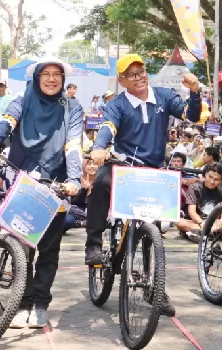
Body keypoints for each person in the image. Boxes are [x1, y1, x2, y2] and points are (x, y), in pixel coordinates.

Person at [84, 53, 201, 316]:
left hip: (154, 170)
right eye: (132, 74)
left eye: (142, 71)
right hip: (122, 165)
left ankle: (154, 286)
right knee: (101, 181)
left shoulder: (164, 96)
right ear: (122, 81)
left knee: (153, 231)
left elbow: (191, 116)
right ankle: (93, 244)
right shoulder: (117, 104)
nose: (139, 78)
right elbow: (107, 127)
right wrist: (100, 147)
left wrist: (195, 92)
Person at [0, 57, 83, 328]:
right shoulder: (21, 100)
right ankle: (21, 302)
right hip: (22, 179)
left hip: (56, 183)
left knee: (48, 249)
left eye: (56, 74)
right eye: (45, 74)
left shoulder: (72, 106)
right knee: (21, 246)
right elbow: (7, 123)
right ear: (36, 78)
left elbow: (72, 144)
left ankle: (39, 303)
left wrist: (74, 178)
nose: (51, 79)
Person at [175, 162, 222, 243]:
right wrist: (202, 223)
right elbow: (192, 212)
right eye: (210, 177)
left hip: (214, 222)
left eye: (216, 179)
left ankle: (201, 233)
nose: (212, 181)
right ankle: (212, 233)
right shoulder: (194, 188)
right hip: (198, 222)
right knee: (178, 222)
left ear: (221, 181)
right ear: (205, 174)